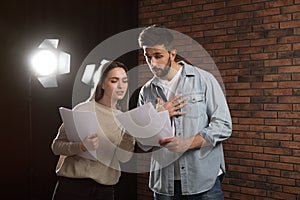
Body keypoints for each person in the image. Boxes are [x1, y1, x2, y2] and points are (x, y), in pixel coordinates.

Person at [137, 25, 232, 200]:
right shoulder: (146, 91)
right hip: (164, 185)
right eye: (148, 57)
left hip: (203, 181)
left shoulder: (204, 80)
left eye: (158, 56)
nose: (153, 63)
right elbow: (143, 142)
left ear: (172, 53)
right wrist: (158, 117)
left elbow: (223, 125)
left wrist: (188, 143)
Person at [51, 60, 135, 200]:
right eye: (114, 81)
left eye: (124, 81)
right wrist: (81, 146)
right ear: (102, 84)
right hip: (72, 187)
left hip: (104, 191)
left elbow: (124, 158)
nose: (121, 86)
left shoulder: (124, 119)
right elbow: (56, 147)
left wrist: (129, 134)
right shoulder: (82, 109)